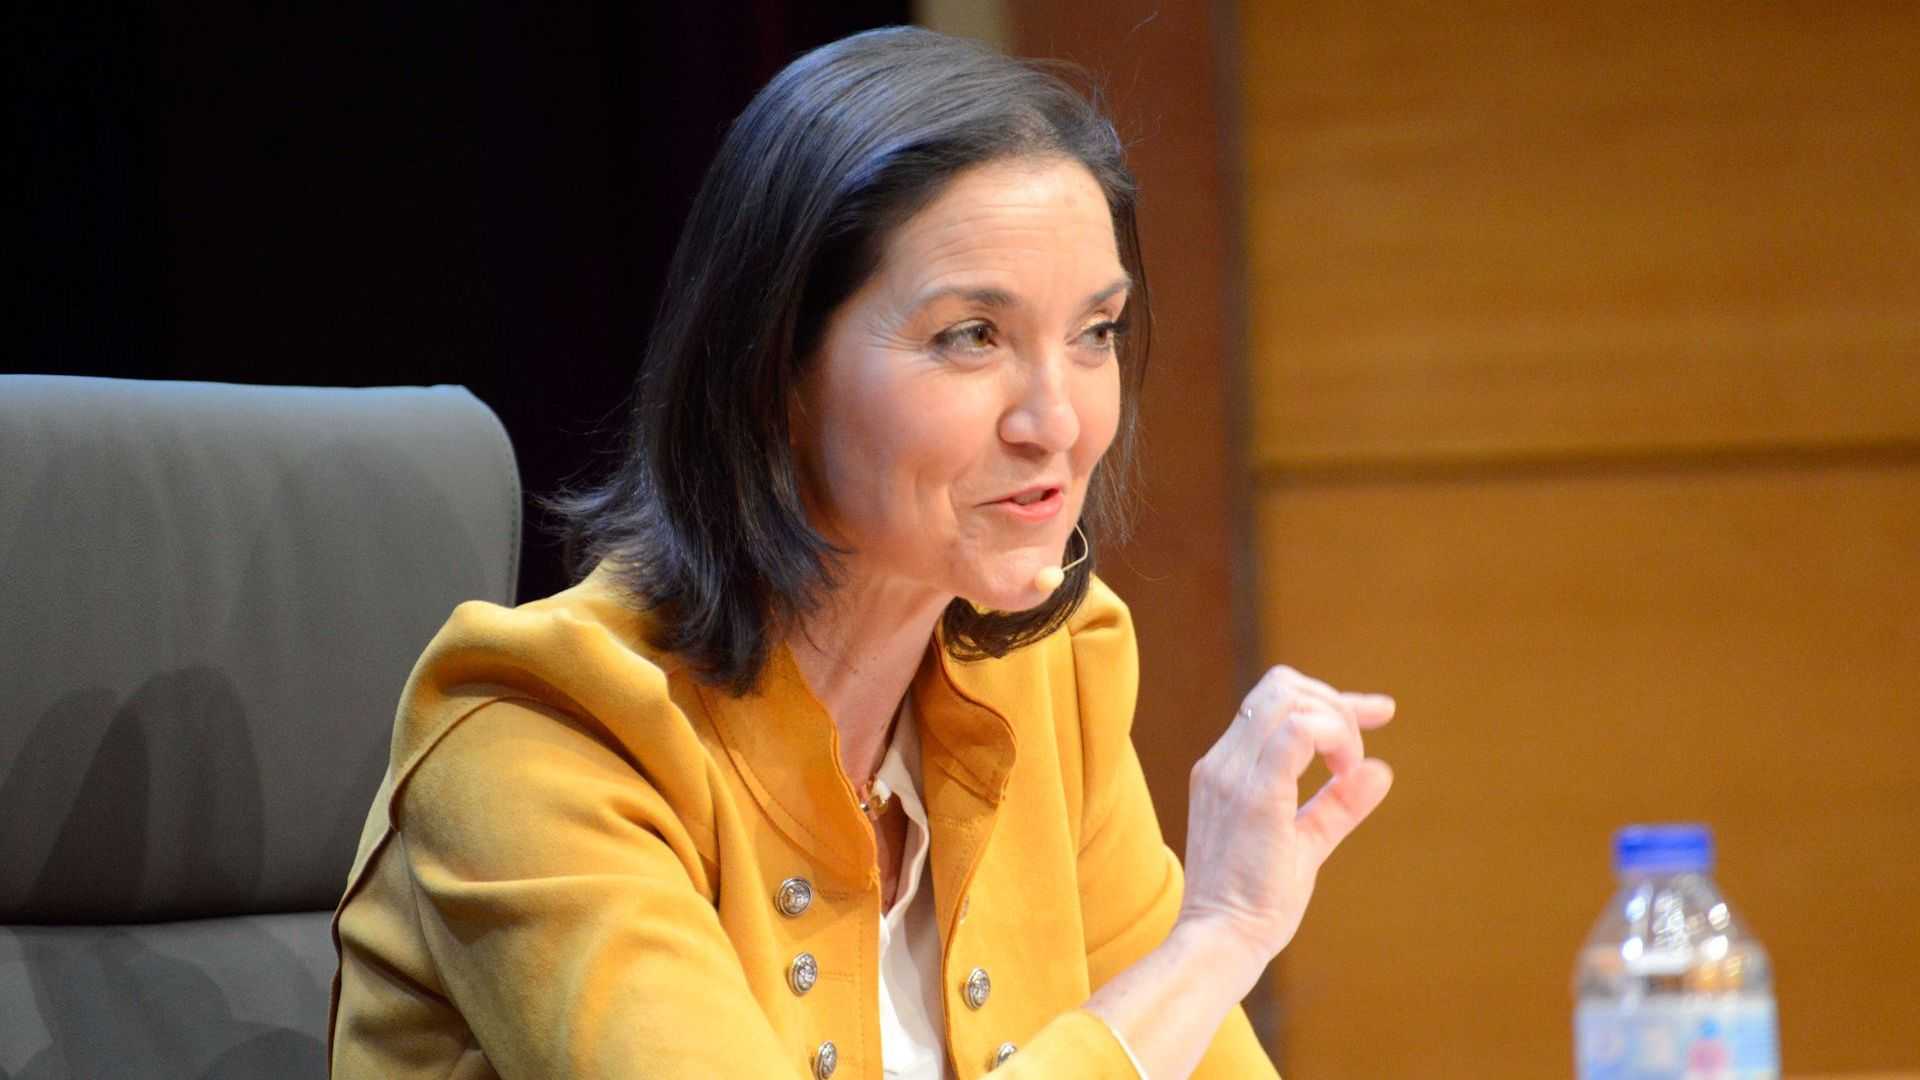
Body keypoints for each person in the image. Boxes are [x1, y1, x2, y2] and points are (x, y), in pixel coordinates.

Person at [328, 26, 1395, 1080]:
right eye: (972, 336)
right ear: (776, 372)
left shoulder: (1051, 672)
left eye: (1095, 333)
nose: (1058, 423)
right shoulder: (542, 739)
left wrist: (1206, 953)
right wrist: (1215, 941)